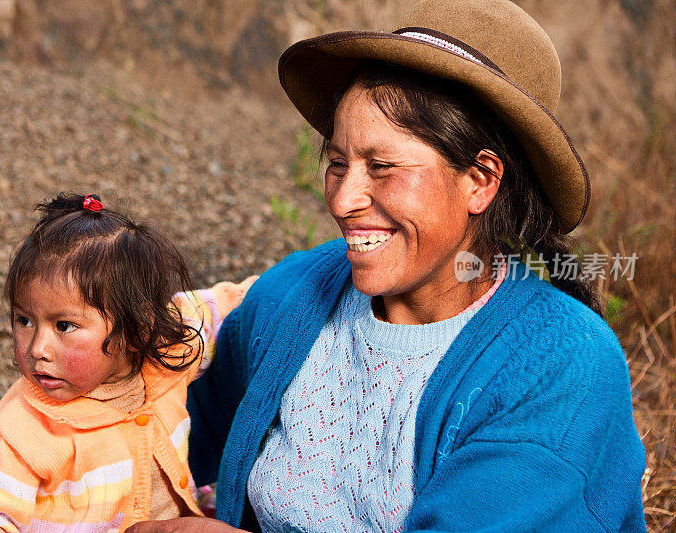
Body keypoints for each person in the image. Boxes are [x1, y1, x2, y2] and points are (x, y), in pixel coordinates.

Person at [128, 0, 647, 531]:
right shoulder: (294, 294)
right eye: (337, 164)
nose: (343, 200)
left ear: (480, 180)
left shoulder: (561, 370)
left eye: (382, 167)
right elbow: (181, 434)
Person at [0, 193, 256, 531]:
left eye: (64, 326)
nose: (37, 348)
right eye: (24, 320)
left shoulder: (166, 353)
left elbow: (228, 305)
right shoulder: (24, 429)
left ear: (137, 330)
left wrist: (289, 289)